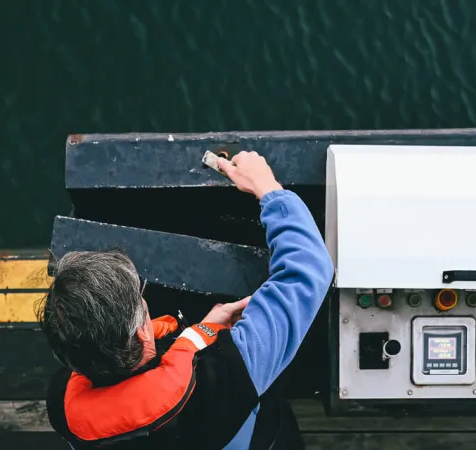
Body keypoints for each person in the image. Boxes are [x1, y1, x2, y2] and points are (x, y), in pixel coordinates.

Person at [39, 151, 335, 449]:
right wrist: (267, 187)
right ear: (142, 331)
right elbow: (308, 269)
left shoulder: (62, 407)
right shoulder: (228, 375)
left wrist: (202, 332)